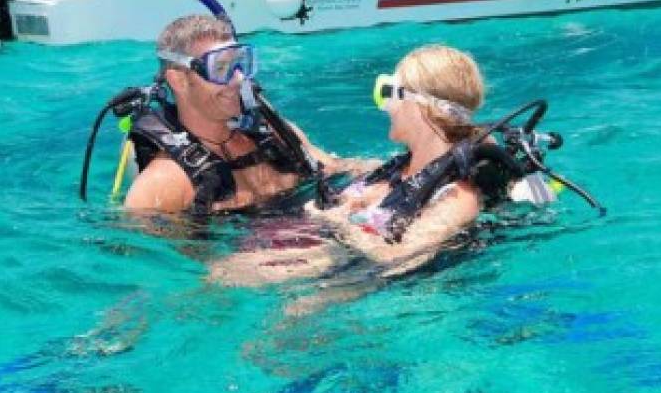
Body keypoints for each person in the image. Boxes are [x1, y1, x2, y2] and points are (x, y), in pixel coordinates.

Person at [208, 44, 486, 284]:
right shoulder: (399, 168)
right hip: (325, 250)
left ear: (422, 107)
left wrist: (339, 222)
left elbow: (399, 256)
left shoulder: (458, 198)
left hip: (354, 276)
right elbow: (340, 169)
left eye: (389, 93)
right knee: (222, 273)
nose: (386, 106)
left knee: (229, 280)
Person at [123, 14, 354, 216]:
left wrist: (376, 181)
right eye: (220, 68)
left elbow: (339, 170)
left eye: (239, 64)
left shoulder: (276, 136)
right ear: (178, 80)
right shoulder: (163, 185)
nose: (239, 79)